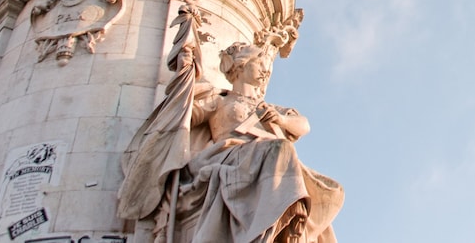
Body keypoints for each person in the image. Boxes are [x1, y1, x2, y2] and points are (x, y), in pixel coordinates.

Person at [119, 41, 342, 243]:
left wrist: (281, 120)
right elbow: (184, 116)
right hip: (231, 153)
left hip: (267, 158)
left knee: (334, 190)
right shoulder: (219, 100)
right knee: (281, 149)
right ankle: (273, 226)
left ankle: (280, 222)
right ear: (240, 67)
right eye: (259, 64)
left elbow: (303, 125)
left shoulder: (269, 108)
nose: (265, 71)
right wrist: (184, 82)